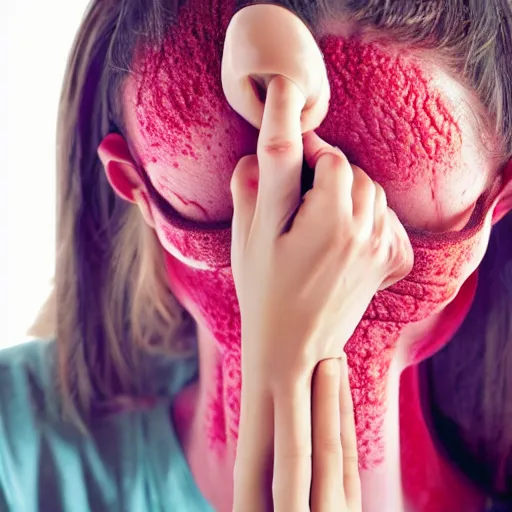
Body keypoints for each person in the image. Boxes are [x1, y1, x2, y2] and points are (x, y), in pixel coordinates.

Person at [1, 0, 512, 511]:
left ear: (499, 201)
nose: (312, 264)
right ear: (136, 186)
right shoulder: (14, 453)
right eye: (230, 220)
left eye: (388, 229)